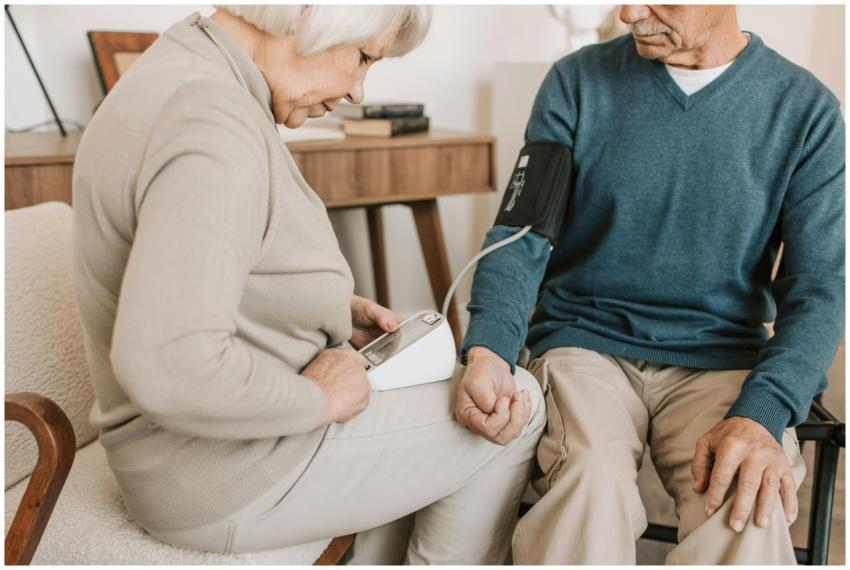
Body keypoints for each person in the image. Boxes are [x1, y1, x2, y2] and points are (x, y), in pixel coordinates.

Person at [72, 6, 544, 563]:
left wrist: (314, 306)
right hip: (218, 472)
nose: (358, 92)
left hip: (190, 455)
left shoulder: (185, 67)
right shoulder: (211, 123)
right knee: (521, 404)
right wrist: (318, 398)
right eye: (363, 57)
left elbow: (188, 259)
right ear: (312, 13)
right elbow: (169, 364)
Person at [458, 4, 844, 565]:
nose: (629, 12)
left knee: (744, 494)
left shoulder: (806, 111)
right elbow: (521, 235)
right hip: (586, 345)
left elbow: (818, 290)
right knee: (588, 479)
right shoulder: (577, 82)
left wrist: (763, 413)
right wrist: (489, 345)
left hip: (723, 359)